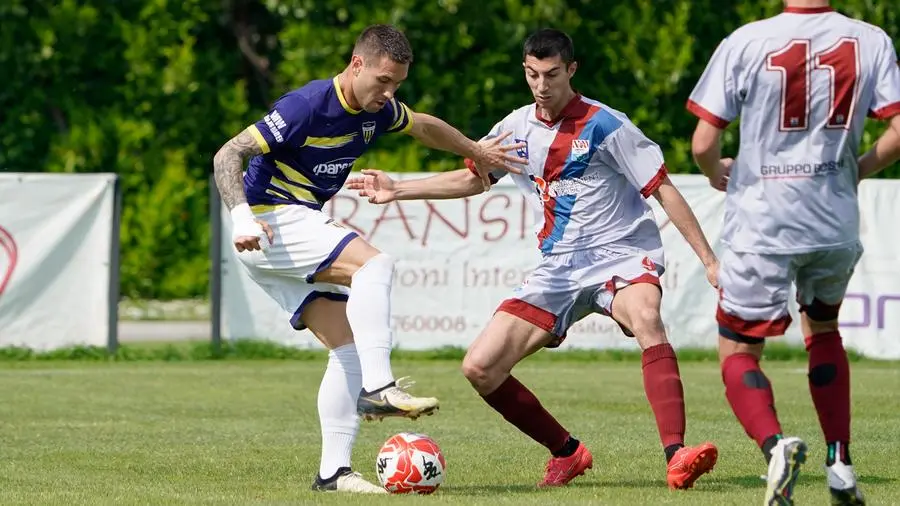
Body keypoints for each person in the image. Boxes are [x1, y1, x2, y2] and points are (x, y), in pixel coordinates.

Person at [347, 28, 720, 490]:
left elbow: (662, 189)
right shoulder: (516, 128)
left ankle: (676, 454)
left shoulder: (607, 125)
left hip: (619, 255)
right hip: (558, 267)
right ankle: (567, 452)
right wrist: (398, 189)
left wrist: (708, 259)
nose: (541, 85)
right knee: (480, 367)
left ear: (571, 70)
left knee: (646, 316)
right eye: (531, 75)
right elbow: (473, 179)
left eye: (551, 74)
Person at [212, 24, 524, 493]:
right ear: (356, 65)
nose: (389, 92)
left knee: (348, 350)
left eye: (397, 83)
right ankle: (378, 389)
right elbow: (226, 155)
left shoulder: (378, 109)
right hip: (269, 220)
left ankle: (333, 473)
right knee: (375, 265)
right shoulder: (306, 106)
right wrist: (240, 217)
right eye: (383, 80)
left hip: (282, 232)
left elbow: (424, 126)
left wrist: (475, 150)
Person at [687, 0, 900, 503]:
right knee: (823, 330)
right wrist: (857, 170)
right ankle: (840, 463)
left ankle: (776, 446)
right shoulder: (871, 39)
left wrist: (716, 170)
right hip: (833, 219)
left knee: (738, 351)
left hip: (764, 222)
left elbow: (702, 142)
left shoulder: (747, 40)